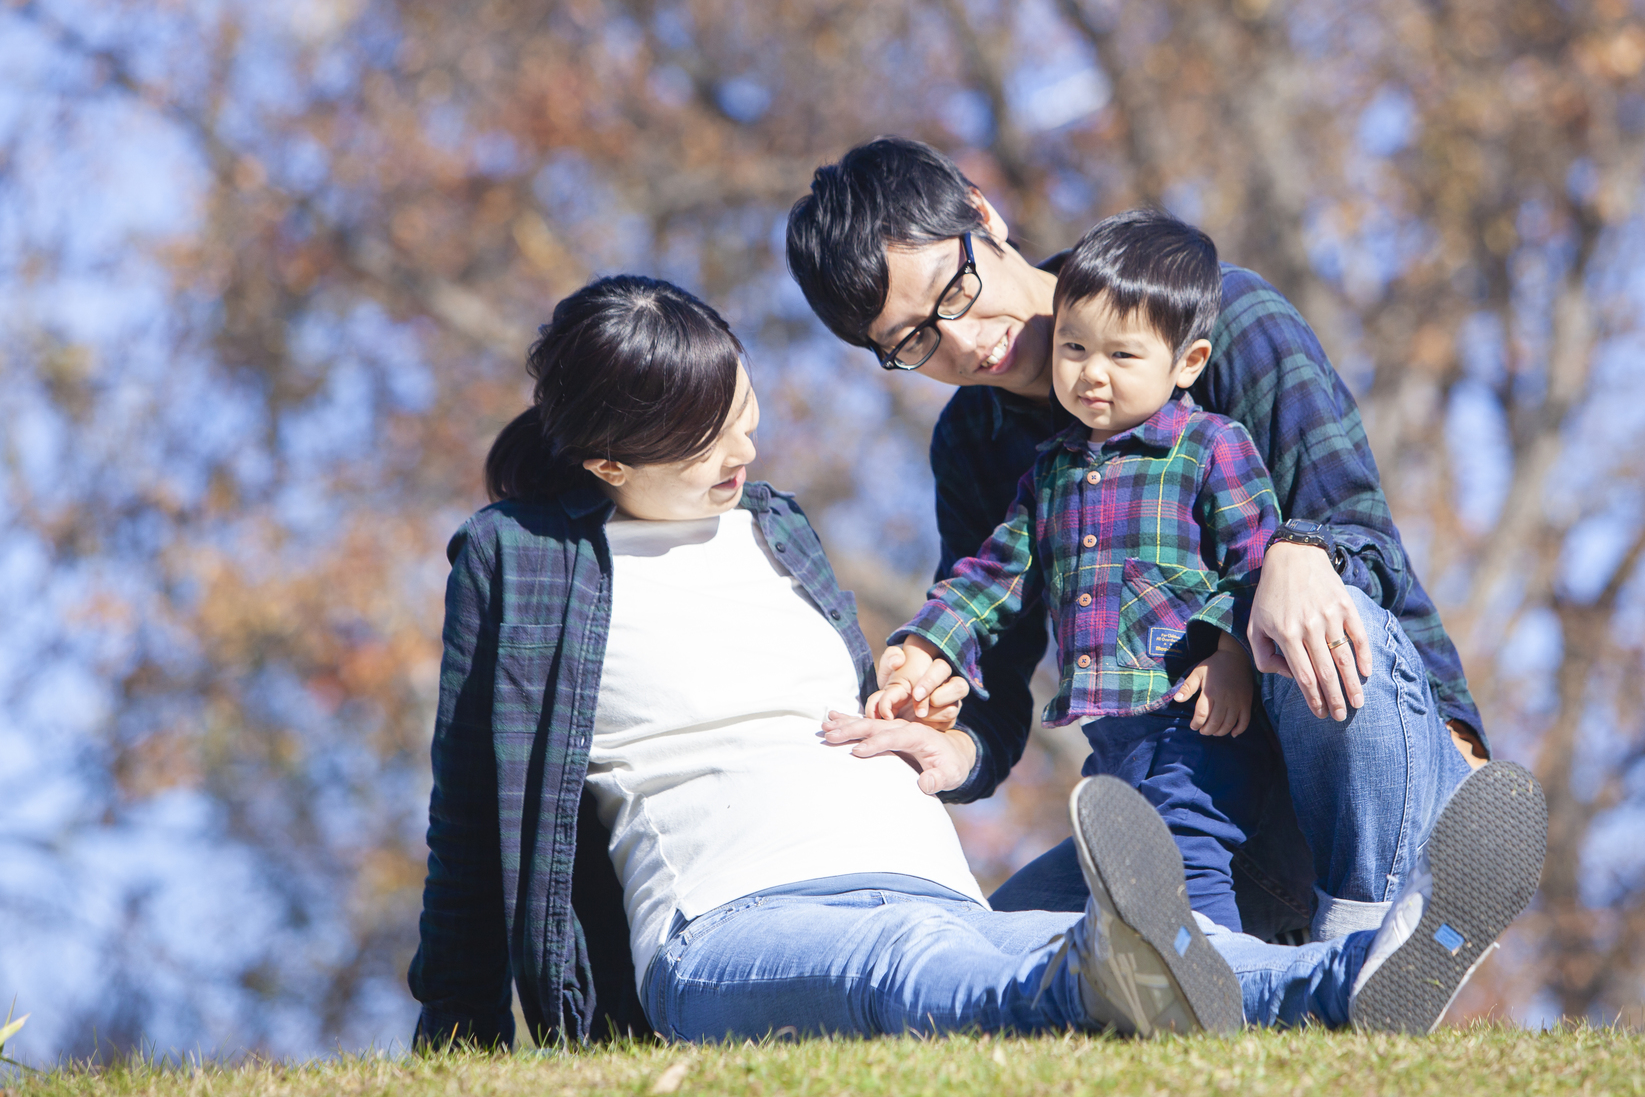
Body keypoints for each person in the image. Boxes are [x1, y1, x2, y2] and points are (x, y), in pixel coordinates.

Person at [406, 273, 1548, 1046]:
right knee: (914, 965)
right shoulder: (521, 560)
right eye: (704, 441)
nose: (742, 449)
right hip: (735, 919)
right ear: (608, 462)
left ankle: (1355, 979)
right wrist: (452, 1039)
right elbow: (471, 818)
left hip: (929, 884)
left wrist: (924, 729)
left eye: (745, 412)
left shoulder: (778, 527)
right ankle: (1150, 969)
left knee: (1068, 939)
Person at [786, 138, 1492, 942]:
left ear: (985, 215)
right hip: (1195, 798)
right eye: (913, 340)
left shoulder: (1219, 317)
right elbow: (994, 659)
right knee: (983, 953)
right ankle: (1292, 966)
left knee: (1314, 607)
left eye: (956, 290)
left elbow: (1356, 531)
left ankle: (1398, 897)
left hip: (1359, 763)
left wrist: (1300, 550)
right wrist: (950, 737)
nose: (964, 340)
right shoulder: (976, 442)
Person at [876, 210, 1282, 930]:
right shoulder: (1049, 473)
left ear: (1186, 363)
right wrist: (927, 640)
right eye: (1073, 347)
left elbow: (1258, 557)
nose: (1091, 373)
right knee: (1119, 872)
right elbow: (992, 573)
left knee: (1188, 846)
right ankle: (1165, 998)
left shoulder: (1210, 446)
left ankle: (1232, 982)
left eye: (1122, 357)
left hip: (1193, 716)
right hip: (1109, 732)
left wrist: (1229, 652)